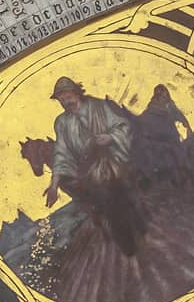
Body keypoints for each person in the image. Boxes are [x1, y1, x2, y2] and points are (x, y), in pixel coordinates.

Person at [46, 76, 146, 256]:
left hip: (111, 156)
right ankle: (120, 236)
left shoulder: (100, 106)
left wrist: (111, 137)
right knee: (92, 199)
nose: (65, 102)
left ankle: (134, 221)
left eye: (67, 96)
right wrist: (54, 185)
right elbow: (61, 153)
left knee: (115, 186)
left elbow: (122, 125)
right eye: (61, 99)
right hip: (85, 169)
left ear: (77, 93)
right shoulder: (61, 122)